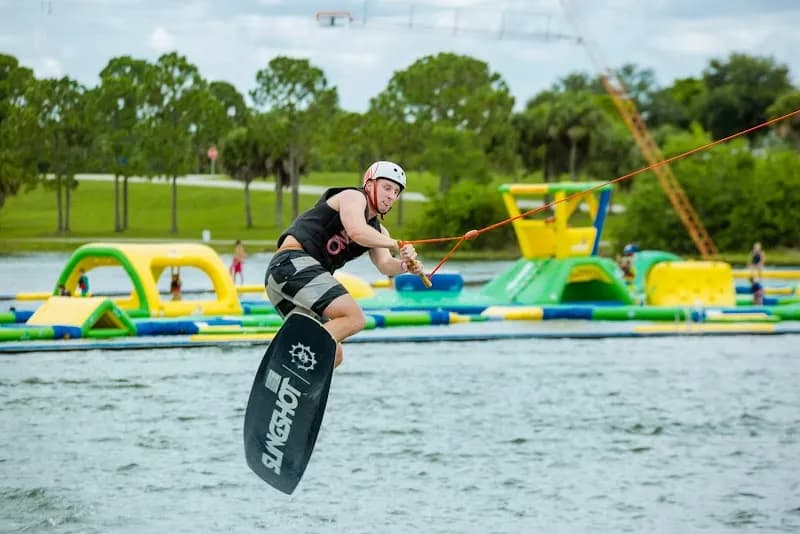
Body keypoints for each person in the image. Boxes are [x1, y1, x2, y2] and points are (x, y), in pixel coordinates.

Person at [265, 160, 424, 369]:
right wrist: (396, 244)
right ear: (369, 185)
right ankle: (292, 360)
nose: (391, 196)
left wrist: (405, 266)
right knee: (354, 317)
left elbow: (385, 264)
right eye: (387, 188)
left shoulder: (379, 231)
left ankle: (289, 378)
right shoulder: (353, 197)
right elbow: (356, 230)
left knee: (335, 354)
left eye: (396, 192)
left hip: (286, 282)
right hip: (290, 264)